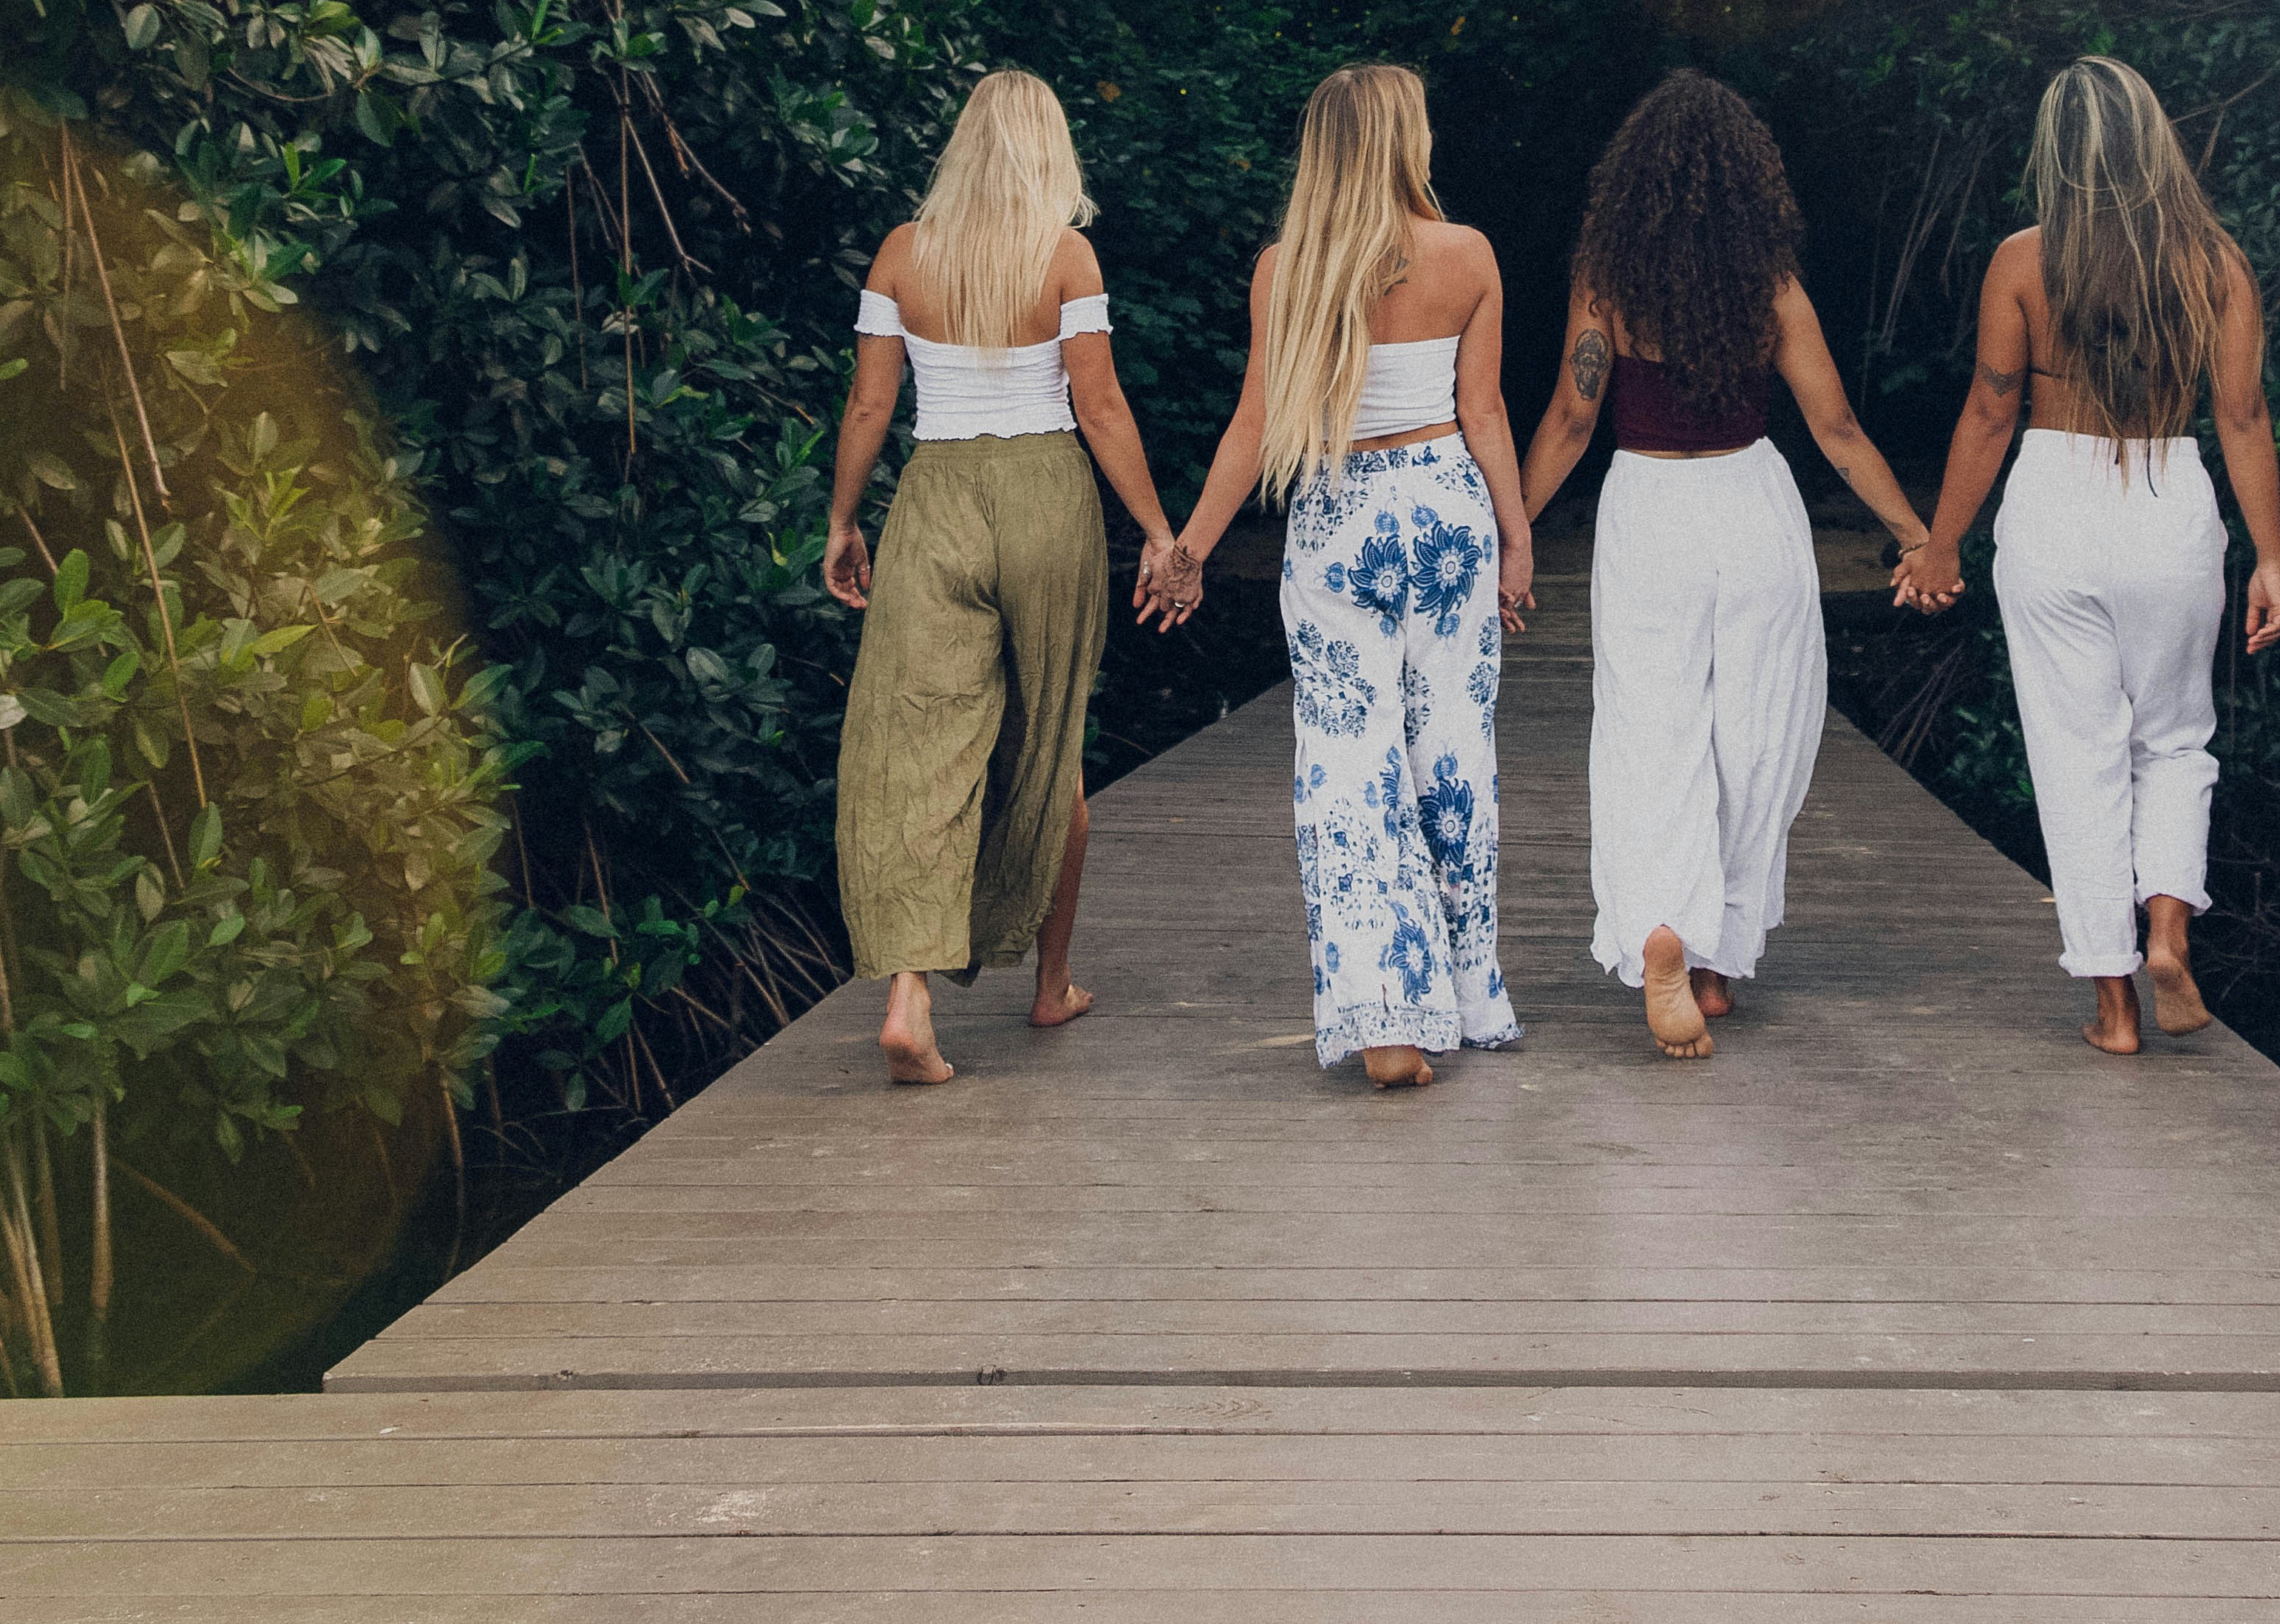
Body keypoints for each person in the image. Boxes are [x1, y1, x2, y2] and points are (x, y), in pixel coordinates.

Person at [1519, 69, 1935, 1064]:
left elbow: (1573, 419)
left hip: (1648, 510)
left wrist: (1512, 534)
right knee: (1759, 732)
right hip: (1753, 508)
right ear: (1749, 179)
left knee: (1651, 730)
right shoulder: (1770, 286)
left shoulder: (1606, 283)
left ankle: (1670, 929)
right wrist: (1919, 535)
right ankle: (1712, 956)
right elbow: (1834, 427)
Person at [1896, 54, 2280, 1056]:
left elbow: (1991, 411)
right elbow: (2241, 417)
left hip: (2054, 507)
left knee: (2077, 757)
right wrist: (2270, 558)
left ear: (2055, 152)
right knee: (2173, 738)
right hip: (2169, 502)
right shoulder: (2215, 263)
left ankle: (2116, 1008)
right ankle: (2168, 927)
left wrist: (1941, 545)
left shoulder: (2023, 261)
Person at [822, 66, 1199, 1087]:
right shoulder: (1066, 254)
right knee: (1050, 747)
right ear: (1050, 150)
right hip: (1046, 497)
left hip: (939, 494)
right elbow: (1102, 405)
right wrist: (1161, 532)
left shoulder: (904, 253)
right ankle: (1051, 981)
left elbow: (868, 405)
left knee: (922, 743)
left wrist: (845, 516)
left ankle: (911, 996)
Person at [1167, 62, 1530, 1090]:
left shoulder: (1287, 270)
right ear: (1404, 142)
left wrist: (1191, 545)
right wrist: (1515, 534)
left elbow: (1253, 426)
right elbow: (1486, 412)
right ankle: (1467, 989)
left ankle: (1383, 1010)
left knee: (1348, 757)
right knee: (1453, 748)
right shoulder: (1466, 256)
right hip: (1447, 515)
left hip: (1338, 522)